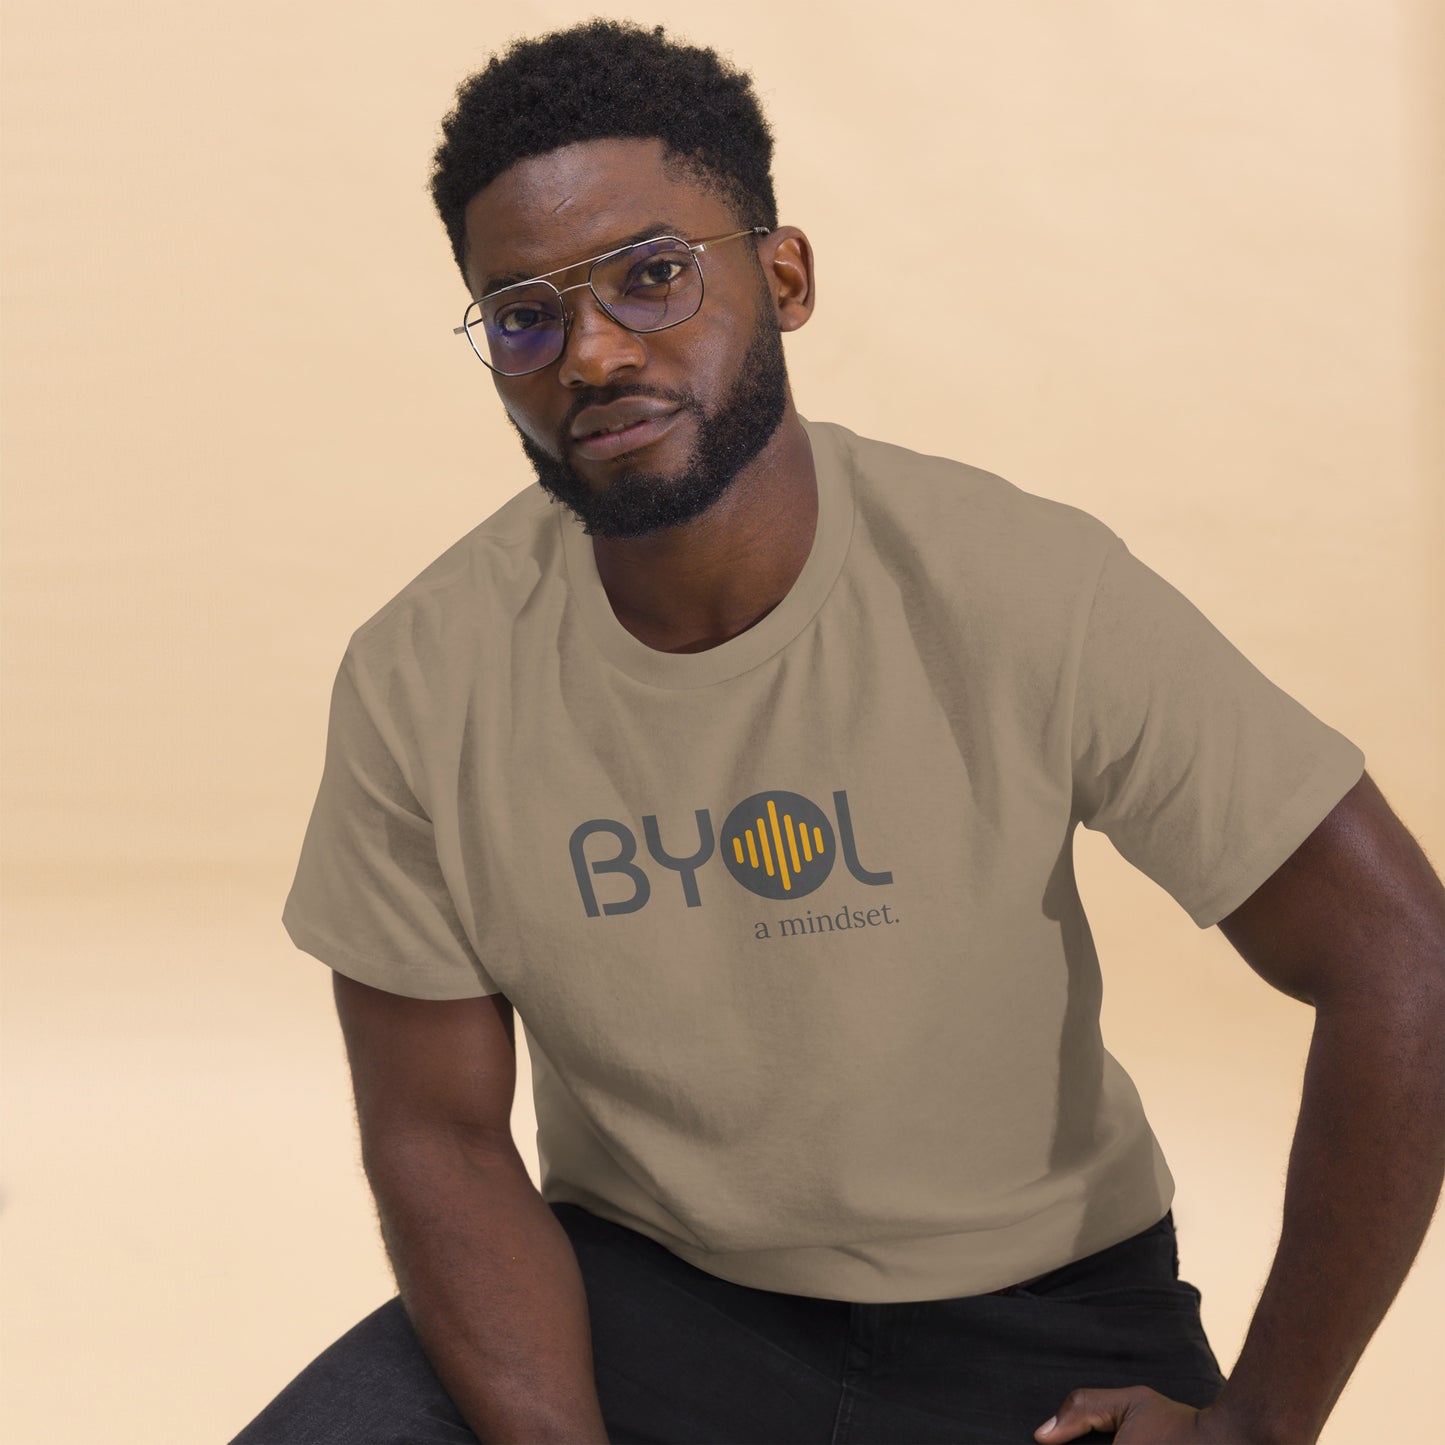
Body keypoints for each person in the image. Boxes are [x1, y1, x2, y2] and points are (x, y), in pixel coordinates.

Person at [231, 19, 1445, 1445]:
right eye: (524, 316)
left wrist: (1260, 1423)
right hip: (645, 1299)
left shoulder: (1020, 583)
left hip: (1034, 1322)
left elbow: (1399, 957)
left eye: (653, 274)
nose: (594, 352)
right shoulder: (419, 674)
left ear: (783, 276)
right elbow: (434, 1131)